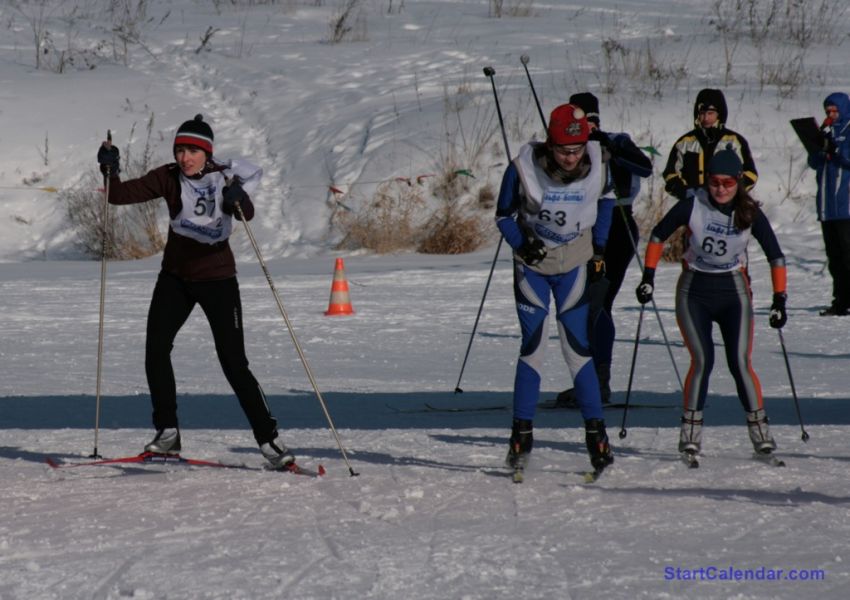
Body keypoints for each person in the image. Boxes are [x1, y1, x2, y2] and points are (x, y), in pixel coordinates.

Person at [96, 114, 295, 469]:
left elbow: (245, 213)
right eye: (180, 150)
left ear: (207, 153)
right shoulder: (168, 177)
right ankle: (167, 432)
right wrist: (110, 170)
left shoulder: (223, 177)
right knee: (156, 348)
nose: (185, 158)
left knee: (233, 362)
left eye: (192, 151)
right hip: (175, 278)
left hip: (218, 279)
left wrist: (237, 198)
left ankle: (269, 441)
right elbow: (118, 196)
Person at [635, 148, 787, 461]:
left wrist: (779, 298)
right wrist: (648, 276)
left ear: (738, 183)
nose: (720, 189)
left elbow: (776, 255)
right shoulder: (693, 205)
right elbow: (658, 234)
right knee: (702, 360)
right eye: (715, 182)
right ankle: (690, 435)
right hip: (694, 291)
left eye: (728, 183)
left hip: (734, 292)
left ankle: (761, 434)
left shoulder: (749, 212)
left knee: (740, 362)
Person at [495, 103, 614, 475]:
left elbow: (608, 200)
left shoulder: (598, 161)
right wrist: (521, 242)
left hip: (574, 261)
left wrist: (600, 248)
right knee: (533, 347)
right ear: (550, 144)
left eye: (576, 150)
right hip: (533, 265)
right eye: (563, 150)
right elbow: (502, 215)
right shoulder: (524, 168)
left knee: (577, 349)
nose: (570, 158)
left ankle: (596, 436)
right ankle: (521, 435)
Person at [554, 92, 653, 406]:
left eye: (590, 120)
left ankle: (598, 382)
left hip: (617, 228)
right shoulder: (571, 147)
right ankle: (589, 379)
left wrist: (609, 146)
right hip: (580, 230)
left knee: (598, 304)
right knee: (578, 308)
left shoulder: (615, 140)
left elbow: (645, 167)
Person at [662, 88, 758, 201]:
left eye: (710, 113)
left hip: (726, 204)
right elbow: (670, 174)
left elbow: (750, 174)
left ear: (719, 114)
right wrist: (686, 193)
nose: (706, 118)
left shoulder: (734, 141)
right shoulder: (685, 143)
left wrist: (731, 192)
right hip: (693, 204)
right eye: (702, 114)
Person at [807, 92, 850, 316]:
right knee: (834, 258)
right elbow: (814, 162)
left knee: (848, 254)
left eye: (834, 111)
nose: (831, 115)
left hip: (846, 205)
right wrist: (816, 145)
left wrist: (834, 148)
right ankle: (840, 301)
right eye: (827, 111)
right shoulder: (827, 131)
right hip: (827, 207)